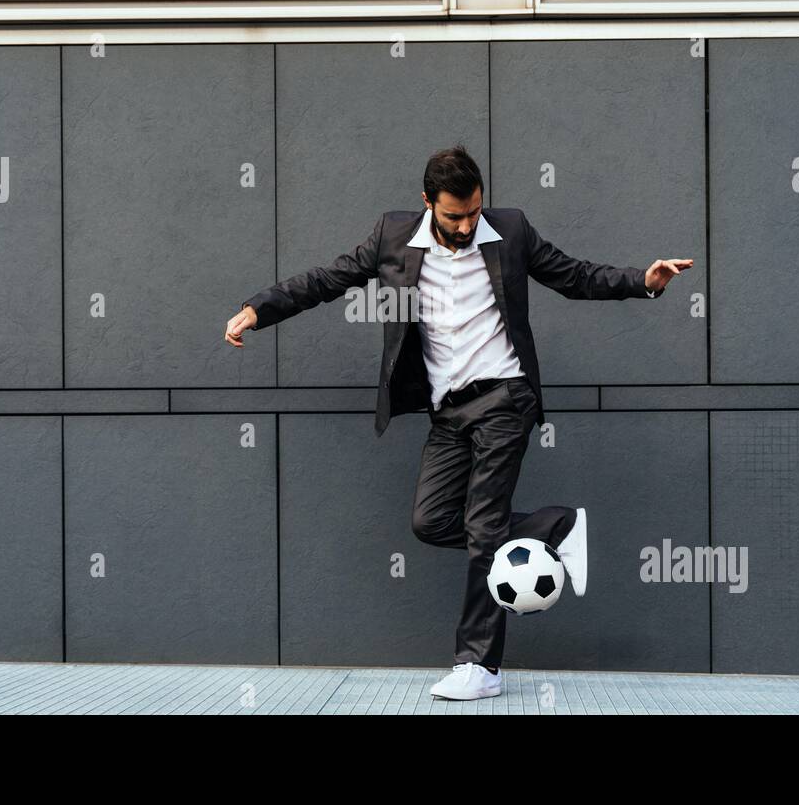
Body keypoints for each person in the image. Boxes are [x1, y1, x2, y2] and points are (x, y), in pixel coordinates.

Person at [226, 144, 692, 700]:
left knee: (485, 530)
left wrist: (644, 279)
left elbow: (573, 275)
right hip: (447, 411)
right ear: (428, 204)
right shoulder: (393, 237)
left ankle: (479, 666)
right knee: (430, 521)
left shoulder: (511, 231)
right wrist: (260, 309)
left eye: (474, 211)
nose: (467, 224)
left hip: (505, 398)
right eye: (454, 216)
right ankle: (555, 526)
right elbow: (327, 279)